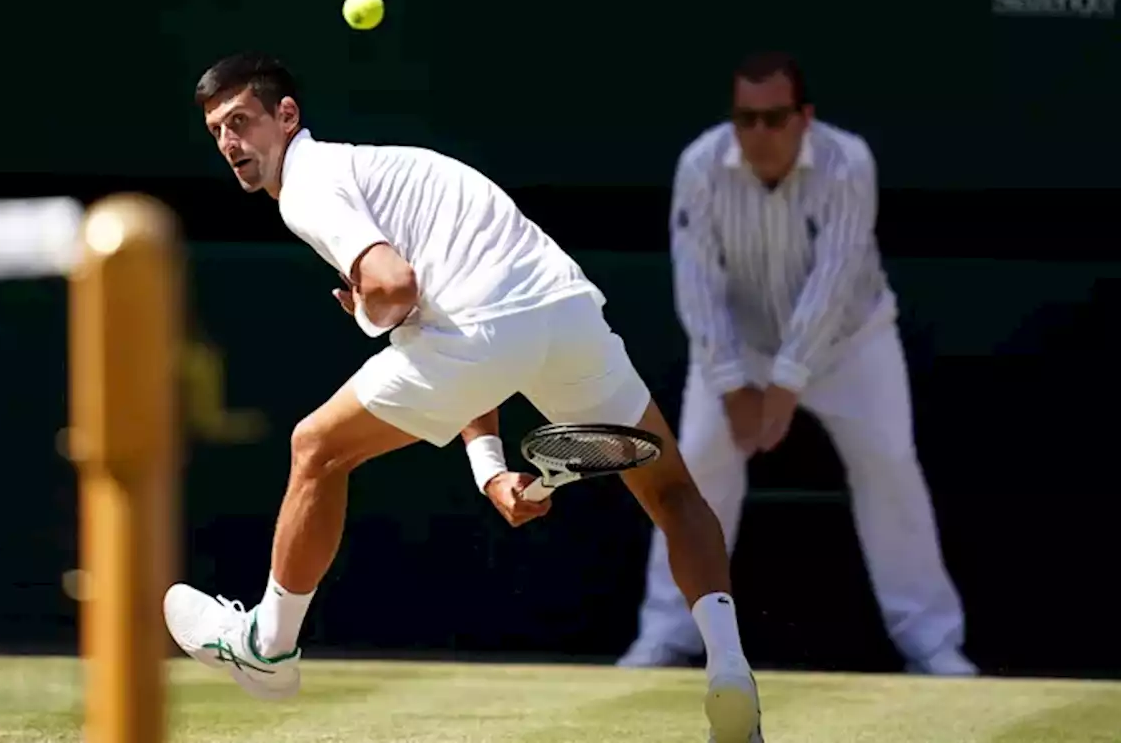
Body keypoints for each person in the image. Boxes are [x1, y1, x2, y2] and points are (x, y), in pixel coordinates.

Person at [162, 52, 766, 742]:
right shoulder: (387, 173)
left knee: (316, 449)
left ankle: (267, 648)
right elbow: (473, 334)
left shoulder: (308, 185)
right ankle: (729, 669)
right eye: (217, 133)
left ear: (287, 116)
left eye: (241, 121)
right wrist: (488, 468)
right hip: (565, 312)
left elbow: (395, 289)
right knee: (673, 491)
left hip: (486, 324)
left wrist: (365, 312)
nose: (231, 144)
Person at [617, 51, 975, 677]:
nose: (758, 134)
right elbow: (696, 284)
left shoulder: (848, 162)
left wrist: (782, 388)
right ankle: (667, 635)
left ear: (804, 118)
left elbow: (832, 282)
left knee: (889, 462)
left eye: (774, 118)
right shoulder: (701, 165)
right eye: (745, 119)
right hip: (733, 348)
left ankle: (932, 642)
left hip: (850, 344)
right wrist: (733, 385)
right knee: (692, 470)